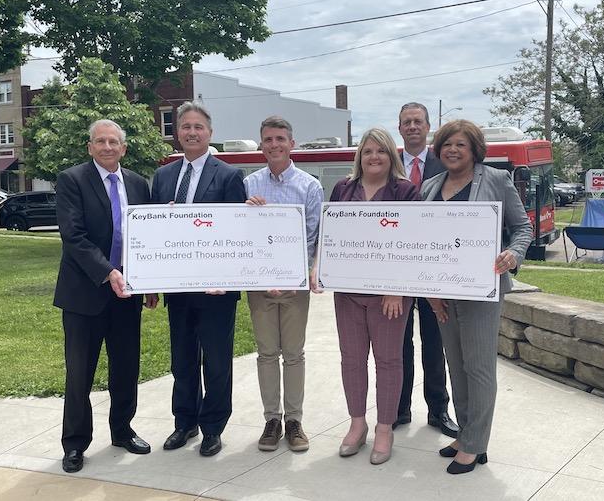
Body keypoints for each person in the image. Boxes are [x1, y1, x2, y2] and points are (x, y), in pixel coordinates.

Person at [421, 119, 531, 474]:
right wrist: (430, 293)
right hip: (444, 292)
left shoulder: (496, 179)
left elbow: (523, 227)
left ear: (474, 150)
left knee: (479, 368)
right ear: (439, 150)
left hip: (483, 289)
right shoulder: (430, 186)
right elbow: (423, 241)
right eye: (447, 144)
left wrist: (513, 254)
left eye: (461, 145)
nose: (453, 150)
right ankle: (467, 433)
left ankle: (475, 444)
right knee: (456, 364)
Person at [54, 119, 154, 473]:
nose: (108, 147)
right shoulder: (72, 180)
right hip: (85, 294)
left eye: (114, 142)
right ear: (90, 146)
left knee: (126, 367)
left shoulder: (139, 184)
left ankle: (123, 430)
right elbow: (74, 236)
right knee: (80, 372)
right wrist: (108, 272)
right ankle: (75, 443)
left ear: (124, 148)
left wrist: (150, 281)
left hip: (126, 295)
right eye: (101, 141)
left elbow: (149, 235)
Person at [151, 102, 246, 457]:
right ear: (178, 132)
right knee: (183, 360)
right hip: (178, 287)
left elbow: (238, 233)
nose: (191, 132)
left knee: (217, 361)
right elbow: (153, 236)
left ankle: (213, 427)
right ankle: (185, 422)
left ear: (210, 133)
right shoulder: (163, 177)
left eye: (198, 127)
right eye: (185, 126)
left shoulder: (228, 176)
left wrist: (230, 278)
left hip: (216, 289)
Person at [331, 128, 416, 465]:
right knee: (351, 359)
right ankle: (357, 424)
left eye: (381, 151)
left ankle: (384, 427)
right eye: (368, 151)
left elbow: (412, 240)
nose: (374, 157)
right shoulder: (343, 188)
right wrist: (321, 269)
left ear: (391, 156)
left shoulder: (405, 191)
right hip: (348, 292)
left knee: (388, 361)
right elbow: (331, 233)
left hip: (389, 296)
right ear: (359, 156)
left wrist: (396, 287)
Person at [244, 116, 323, 452]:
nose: (274, 145)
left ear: (292, 143)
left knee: (293, 354)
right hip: (260, 285)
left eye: (280, 139)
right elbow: (240, 235)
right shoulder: (249, 185)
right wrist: (247, 212)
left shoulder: (309, 186)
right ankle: (271, 420)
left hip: (295, 285)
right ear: (261, 144)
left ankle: (294, 420)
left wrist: (304, 273)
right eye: (267, 140)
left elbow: (317, 236)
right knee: (265, 354)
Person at [394, 102, 458, 437]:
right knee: (398, 341)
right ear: (399, 128)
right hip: (399, 266)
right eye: (407, 122)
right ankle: (399, 409)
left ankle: (438, 410)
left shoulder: (444, 162)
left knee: (435, 341)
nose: (413, 126)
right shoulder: (389, 163)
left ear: (428, 126)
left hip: (435, 266)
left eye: (418, 121)